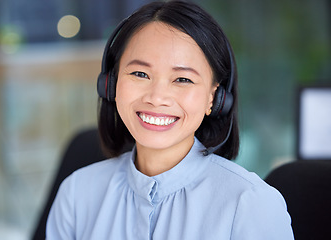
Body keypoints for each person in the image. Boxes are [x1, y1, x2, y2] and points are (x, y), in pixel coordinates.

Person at [46, 1, 294, 239]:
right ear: (110, 84)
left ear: (214, 98)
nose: (157, 98)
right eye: (140, 74)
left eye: (183, 79)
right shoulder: (77, 193)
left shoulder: (250, 204)